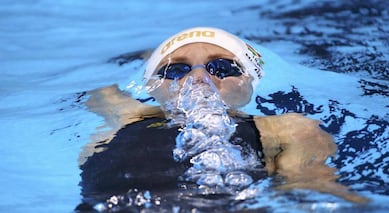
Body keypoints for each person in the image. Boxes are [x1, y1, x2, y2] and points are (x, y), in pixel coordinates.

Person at [77, 27, 367, 211]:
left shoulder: (283, 128)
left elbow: (313, 192)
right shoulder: (129, 115)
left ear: (250, 83)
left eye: (223, 67)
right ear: (153, 86)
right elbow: (98, 87)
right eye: (176, 70)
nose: (199, 77)